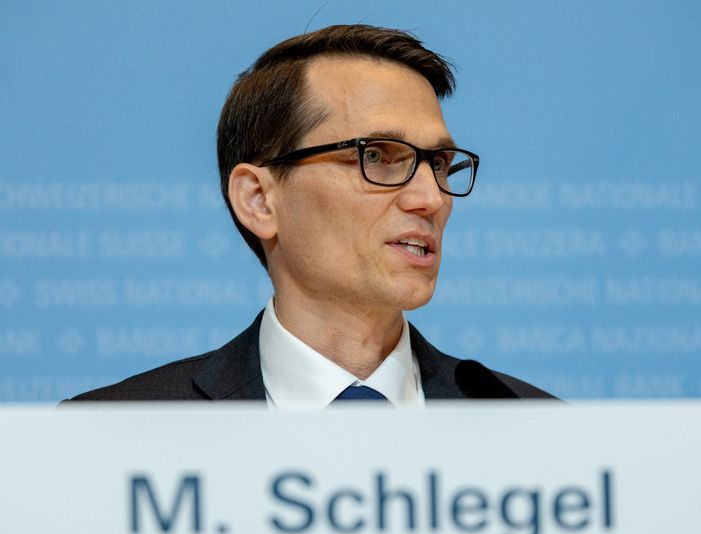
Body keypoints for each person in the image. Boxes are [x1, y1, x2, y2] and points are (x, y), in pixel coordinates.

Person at [69, 24, 556, 407]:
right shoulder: (121, 432)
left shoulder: (536, 432)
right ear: (259, 199)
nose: (431, 198)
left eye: (440, 164)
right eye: (378, 156)